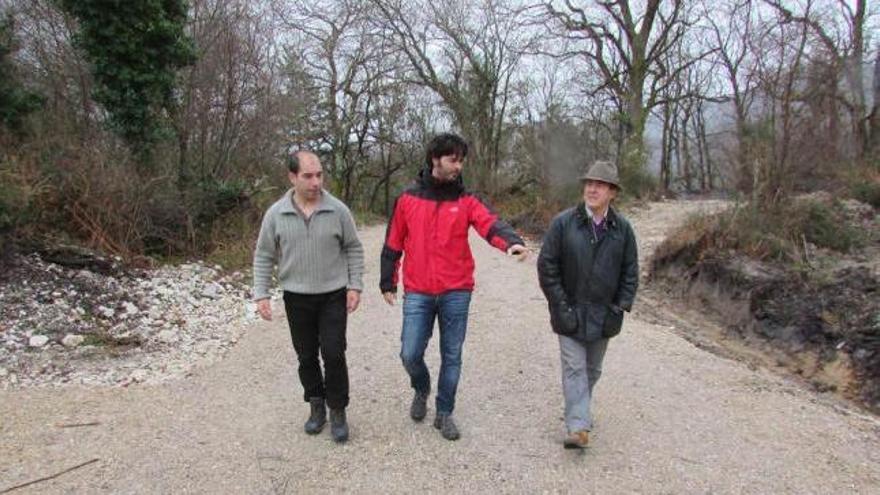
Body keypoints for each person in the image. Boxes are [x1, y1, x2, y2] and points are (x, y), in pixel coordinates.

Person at [380, 133, 528, 441]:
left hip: (456, 290)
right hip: (419, 290)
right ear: (435, 159)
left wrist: (511, 242)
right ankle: (421, 388)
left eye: (461, 161)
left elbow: (490, 224)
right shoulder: (408, 198)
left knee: (452, 354)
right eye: (453, 160)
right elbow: (393, 241)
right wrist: (388, 279)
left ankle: (444, 411)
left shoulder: (466, 200)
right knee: (409, 353)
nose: (458, 166)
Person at [253, 150, 364, 443]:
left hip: (333, 295)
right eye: (308, 176)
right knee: (306, 355)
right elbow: (264, 254)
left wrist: (355, 285)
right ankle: (316, 404)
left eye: (319, 175)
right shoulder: (276, 214)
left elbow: (353, 247)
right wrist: (261, 293)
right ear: (292, 177)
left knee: (333, 352)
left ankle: (337, 409)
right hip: (296, 297)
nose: (316, 182)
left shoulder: (338, 210)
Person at [537, 160, 638, 449]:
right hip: (569, 311)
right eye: (589, 183)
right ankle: (579, 426)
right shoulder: (563, 223)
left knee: (592, 370)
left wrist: (619, 306)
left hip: (604, 314)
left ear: (612, 193)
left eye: (600, 185)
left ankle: (577, 408)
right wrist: (559, 303)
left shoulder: (623, 229)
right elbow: (547, 266)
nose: (592, 189)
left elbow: (630, 271)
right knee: (574, 368)